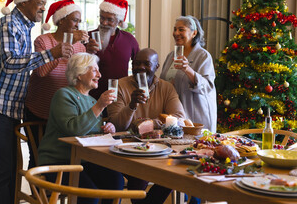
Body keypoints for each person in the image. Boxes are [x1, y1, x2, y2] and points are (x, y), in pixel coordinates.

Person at [0, 0, 70, 204]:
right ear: (24, 2)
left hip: (7, 108)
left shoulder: (23, 27)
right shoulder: (9, 25)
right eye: (40, 3)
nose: (44, 8)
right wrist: (51, 54)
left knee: (8, 169)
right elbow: (10, 63)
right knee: (2, 172)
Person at [38, 53, 124, 204]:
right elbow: (74, 130)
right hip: (59, 162)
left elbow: (90, 133)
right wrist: (100, 106)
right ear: (79, 74)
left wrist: (106, 129)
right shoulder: (64, 95)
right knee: (91, 195)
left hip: (84, 161)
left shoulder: (92, 101)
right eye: (94, 70)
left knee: (115, 181)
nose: (100, 74)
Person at [107, 48, 186, 204]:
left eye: (146, 63)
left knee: (173, 175)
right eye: (137, 63)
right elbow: (116, 124)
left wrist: (145, 123)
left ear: (156, 67)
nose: (141, 67)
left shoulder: (166, 88)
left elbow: (179, 118)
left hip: (158, 151)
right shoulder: (118, 85)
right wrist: (132, 105)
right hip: (125, 150)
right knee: (139, 177)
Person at [24, 0, 89, 168]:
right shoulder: (43, 41)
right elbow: (41, 71)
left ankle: (60, 191)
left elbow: (80, 80)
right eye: (74, 20)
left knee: (63, 158)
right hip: (40, 112)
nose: (77, 25)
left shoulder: (81, 48)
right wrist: (62, 49)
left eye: (79, 22)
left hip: (65, 114)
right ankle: (40, 194)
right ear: (61, 20)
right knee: (38, 157)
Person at [160, 15, 217, 133]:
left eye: (181, 29)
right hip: (174, 116)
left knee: (196, 149)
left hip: (195, 114)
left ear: (194, 33)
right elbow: (163, 82)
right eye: (175, 29)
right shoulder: (171, 56)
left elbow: (208, 87)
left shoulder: (203, 56)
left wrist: (188, 70)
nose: (176, 33)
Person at [88, 0, 140, 107]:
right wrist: (86, 52)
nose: (104, 22)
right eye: (102, 18)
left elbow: (138, 67)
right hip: (91, 98)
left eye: (110, 19)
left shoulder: (130, 39)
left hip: (120, 98)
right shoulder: (88, 37)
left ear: (120, 22)